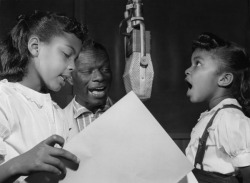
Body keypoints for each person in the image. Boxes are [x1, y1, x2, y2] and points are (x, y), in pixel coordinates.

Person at [0, 10, 88, 182]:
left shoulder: (60, 115)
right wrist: (18, 165)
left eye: (75, 60)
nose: (72, 67)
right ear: (35, 47)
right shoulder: (4, 98)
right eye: (66, 54)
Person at [185, 32, 250, 183]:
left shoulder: (228, 118)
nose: (187, 70)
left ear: (224, 79)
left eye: (198, 63)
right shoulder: (213, 116)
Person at [64, 40, 112, 139]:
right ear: (70, 77)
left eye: (105, 69)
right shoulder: (56, 123)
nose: (99, 77)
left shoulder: (130, 117)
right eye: (87, 71)